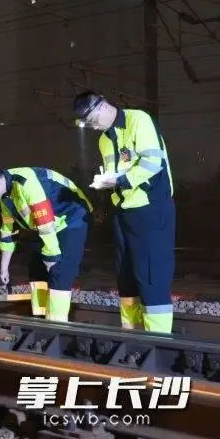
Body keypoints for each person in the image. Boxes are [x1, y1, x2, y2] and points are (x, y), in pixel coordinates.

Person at [74, 91, 175, 333]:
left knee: (151, 276)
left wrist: (119, 181)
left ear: (101, 106)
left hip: (150, 209)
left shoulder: (139, 120)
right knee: (126, 276)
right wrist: (106, 183)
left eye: (91, 120)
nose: (91, 127)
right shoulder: (104, 140)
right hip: (122, 211)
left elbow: (153, 163)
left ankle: (158, 339)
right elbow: (116, 173)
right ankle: (131, 334)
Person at [0, 163, 92, 321]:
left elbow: (45, 223)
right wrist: (3, 270)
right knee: (36, 268)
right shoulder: (6, 198)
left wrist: (52, 257)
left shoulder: (26, 182)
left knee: (59, 270)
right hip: (48, 226)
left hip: (73, 218)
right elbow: (8, 233)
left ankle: (56, 324)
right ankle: (40, 318)